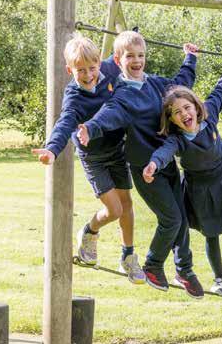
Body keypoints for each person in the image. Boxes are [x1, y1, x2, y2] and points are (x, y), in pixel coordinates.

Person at [76, 31, 204, 298]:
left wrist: (190, 58)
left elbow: (181, 87)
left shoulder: (155, 84)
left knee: (181, 218)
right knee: (171, 219)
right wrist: (91, 127)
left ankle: (184, 270)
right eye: (130, 56)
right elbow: (109, 115)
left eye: (141, 55)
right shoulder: (122, 95)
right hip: (145, 168)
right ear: (118, 60)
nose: (137, 61)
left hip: (167, 160)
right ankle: (152, 265)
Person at [142, 50, 222, 303]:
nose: (184, 114)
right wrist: (153, 164)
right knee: (211, 232)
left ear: (196, 107)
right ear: (172, 120)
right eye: (177, 112)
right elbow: (164, 152)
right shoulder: (177, 140)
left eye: (187, 107)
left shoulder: (210, 116)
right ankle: (220, 279)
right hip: (201, 189)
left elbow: (221, 91)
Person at [32, 34, 143, 284]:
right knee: (114, 210)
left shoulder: (109, 70)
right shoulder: (74, 97)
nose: (88, 74)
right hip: (94, 158)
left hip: (117, 150)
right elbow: (64, 124)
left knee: (127, 204)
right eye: (80, 70)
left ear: (99, 64)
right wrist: (52, 149)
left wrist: (132, 36)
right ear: (69, 70)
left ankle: (128, 255)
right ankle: (90, 231)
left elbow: (123, 54)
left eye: (92, 68)